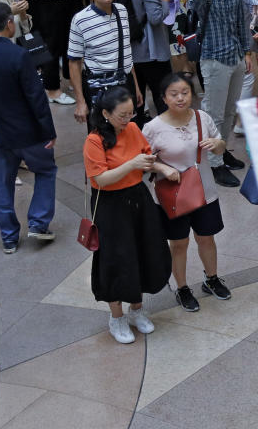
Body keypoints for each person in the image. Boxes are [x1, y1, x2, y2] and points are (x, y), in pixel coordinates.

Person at [83, 86, 171, 343]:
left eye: (131, 113)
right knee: (116, 259)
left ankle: (136, 310)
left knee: (143, 251)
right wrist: (131, 164)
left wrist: (160, 166)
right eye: (122, 115)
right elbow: (100, 178)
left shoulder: (133, 129)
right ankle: (116, 318)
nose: (128, 120)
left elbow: (145, 157)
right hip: (110, 205)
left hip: (138, 198)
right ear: (106, 114)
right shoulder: (94, 140)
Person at [143, 73, 231, 313]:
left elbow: (220, 143)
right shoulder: (153, 128)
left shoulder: (202, 117)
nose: (180, 98)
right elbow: (142, 161)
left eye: (185, 93)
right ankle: (182, 288)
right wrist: (162, 167)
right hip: (173, 196)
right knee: (179, 243)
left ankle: (211, 278)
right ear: (163, 97)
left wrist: (218, 145)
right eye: (174, 94)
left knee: (207, 238)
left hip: (205, 191)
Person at [0, 2, 57, 254]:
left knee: (0, 183)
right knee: (45, 170)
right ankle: (38, 224)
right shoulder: (18, 55)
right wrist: (49, 131)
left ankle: (9, 237)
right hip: (28, 131)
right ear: (9, 24)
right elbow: (36, 97)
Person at [189, 0, 252, 187]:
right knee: (213, 113)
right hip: (214, 57)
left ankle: (222, 149)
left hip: (235, 54)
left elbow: (241, 18)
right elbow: (195, 10)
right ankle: (213, 164)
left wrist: (247, 51)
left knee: (228, 111)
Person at [68, 0, 141, 126]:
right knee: (103, 136)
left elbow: (126, 51)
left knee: (129, 130)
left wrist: (135, 86)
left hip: (125, 82)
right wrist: (80, 102)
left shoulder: (121, 10)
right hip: (99, 86)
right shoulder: (80, 20)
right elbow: (74, 62)